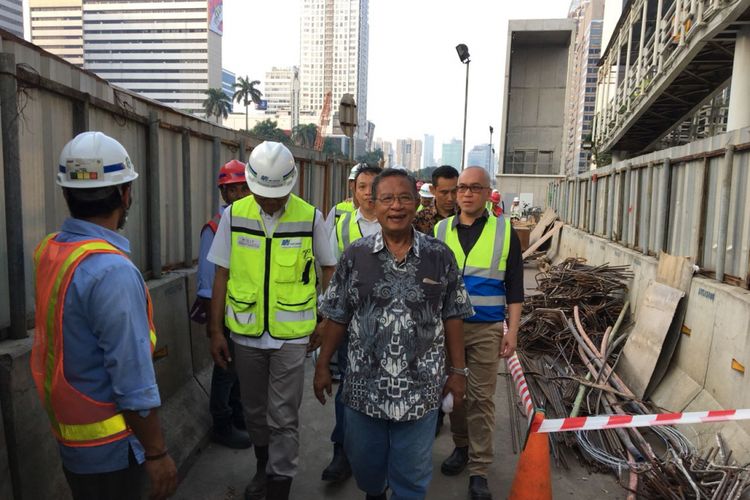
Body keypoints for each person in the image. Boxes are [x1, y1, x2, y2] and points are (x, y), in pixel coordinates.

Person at [31, 131, 177, 500]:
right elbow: (131, 379)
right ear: (125, 194)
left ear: (66, 194)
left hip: (72, 438)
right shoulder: (111, 270)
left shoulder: (51, 251)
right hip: (113, 448)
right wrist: (157, 452)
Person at [314, 168, 474, 500]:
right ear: (373, 203)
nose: (396, 206)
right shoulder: (355, 256)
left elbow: (454, 315)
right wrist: (322, 365)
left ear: (417, 203)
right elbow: (338, 315)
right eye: (387, 198)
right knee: (368, 469)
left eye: (404, 198)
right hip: (363, 387)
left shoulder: (439, 256)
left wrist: (458, 372)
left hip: (420, 389)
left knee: (412, 477)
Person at [207, 141, 336, 500]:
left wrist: (324, 318)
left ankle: (280, 484)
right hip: (245, 333)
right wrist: (216, 330)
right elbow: (221, 274)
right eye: (264, 194)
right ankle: (263, 468)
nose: (270, 201)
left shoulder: (309, 217)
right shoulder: (234, 216)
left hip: (292, 337)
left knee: (283, 416)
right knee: (254, 412)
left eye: (277, 194)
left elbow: (329, 269)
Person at [434, 167, 523, 500]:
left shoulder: (504, 230)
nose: (467, 193)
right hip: (447, 328)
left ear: (488, 193)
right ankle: (460, 446)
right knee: (454, 393)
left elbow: (515, 286)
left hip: (486, 328)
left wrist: (511, 331)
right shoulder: (440, 230)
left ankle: (479, 468)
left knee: (482, 398)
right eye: (462, 188)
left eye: (475, 188)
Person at [321, 164, 383, 483]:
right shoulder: (343, 223)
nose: (368, 193)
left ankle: (377, 456)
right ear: (354, 191)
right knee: (348, 384)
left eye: (374, 187)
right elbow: (330, 272)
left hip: (387, 327)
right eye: (362, 187)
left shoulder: (398, 224)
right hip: (350, 323)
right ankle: (341, 451)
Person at [191, 159, 252, 449]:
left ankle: (238, 413)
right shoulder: (214, 228)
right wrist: (215, 325)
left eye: (244, 189)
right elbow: (207, 280)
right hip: (225, 313)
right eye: (232, 190)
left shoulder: (250, 223)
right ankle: (222, 423)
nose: (239, 195)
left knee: (239, 369)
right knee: (226, 369)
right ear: (223, 194)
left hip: (245, 311)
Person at [413, 165, 459, 235]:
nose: (450, 198)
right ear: (432, 190)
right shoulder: (419, 219)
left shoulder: (464, 215)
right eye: (444, 192)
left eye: (454, 191)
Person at [324, 163, 363, 236]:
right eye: (362, 185)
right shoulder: (337, 211)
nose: (367, 191)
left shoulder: (380, 213)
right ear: (350, 184)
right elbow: (326, 240)